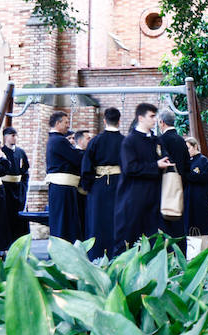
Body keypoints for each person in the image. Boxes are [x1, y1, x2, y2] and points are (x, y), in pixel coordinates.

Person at [116, 102, 173, 252]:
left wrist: (165, 161)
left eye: (156, 116)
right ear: (140, 118)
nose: (155, 120)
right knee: (130, 237)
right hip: (134, 198)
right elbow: (129, 168)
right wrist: (155, 165)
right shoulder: (129, 141)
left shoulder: (156, 140)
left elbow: (164, 156)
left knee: (154, 238)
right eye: (152, 116)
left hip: (154, 197)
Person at [79, 108, 124, 259]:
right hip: (119, 186)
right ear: (119, 121)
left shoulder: (95, 141)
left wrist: (87, 186)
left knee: (96, 222)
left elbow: (86, 166)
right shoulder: (125, 141)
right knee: (118, 221)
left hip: (98, 187)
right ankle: (119, 256)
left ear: (104, 120)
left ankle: (96, 256)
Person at [45, 112, 82, 244]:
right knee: (64, 221)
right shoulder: (59, 140)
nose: (68, 125)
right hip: (62, 188)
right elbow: (76, 159)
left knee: (64, 220)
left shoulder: (55, 140)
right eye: (65, 122)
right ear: (58, 123)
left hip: (61, 187)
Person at [158, 109, 190, 245]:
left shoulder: (161, 140)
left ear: (162, 122)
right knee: (178, 225)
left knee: (163, 225)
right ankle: (179, 255)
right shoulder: (182, 141)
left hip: (163, 188)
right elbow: (188, 166)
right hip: (179, 188)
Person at [0, 127, 30, 238]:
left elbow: (25, 170)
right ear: (6, 137)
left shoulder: (20, 152)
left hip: (18, 189)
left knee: (19, 216)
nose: (15, 138)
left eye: (16, 135)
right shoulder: (1, 151)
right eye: (12, 135)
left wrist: (23, 186)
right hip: (6, 189)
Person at [183, 137, 208, 246]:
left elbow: (203, 177)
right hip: (188, 199)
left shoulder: (203, 160)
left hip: (200, 200)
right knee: (189, 226)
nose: (187, 151)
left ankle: (205, 254)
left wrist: (189, 175)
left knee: (202, 227)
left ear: (195, 146)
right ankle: (191, 254)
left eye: (188, 148)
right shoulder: (186, 161)